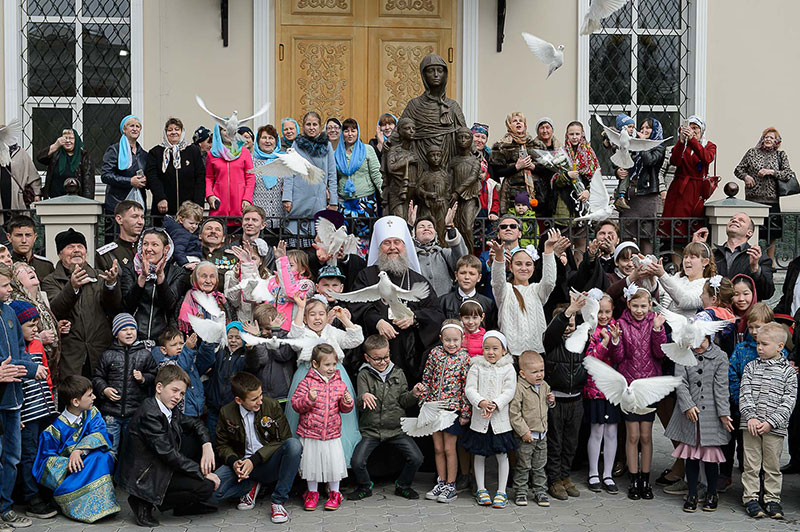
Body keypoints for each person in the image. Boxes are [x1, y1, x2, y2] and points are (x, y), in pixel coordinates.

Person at [119, 366, 220, 527]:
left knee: (203, 442)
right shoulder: (150, 413)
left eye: (181, 394)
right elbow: (168, 453)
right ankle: (142, 501)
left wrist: (207, 446)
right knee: (205, 487)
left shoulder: (168, 408)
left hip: (161, 464)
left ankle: (184, 506)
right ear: (159, 387)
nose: (178, 397)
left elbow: (195, 423)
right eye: (174, 390)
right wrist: (202, 473)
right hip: (146, 474)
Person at [350, 216, 444, 382]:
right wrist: (377, 321)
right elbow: (356, 307)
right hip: (374, 351)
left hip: (408, 353)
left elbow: (436, 313)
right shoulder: (367, 276)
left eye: (397, 242)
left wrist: (414, 318)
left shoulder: (418, 280)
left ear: (405, 246)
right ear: (379, 248)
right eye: (387, 243)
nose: (392, 248)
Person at [665, 312, 733, 513]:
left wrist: (723, 413)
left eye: (700, 340)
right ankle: (692, 492)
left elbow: (721, 387)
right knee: (691, 457)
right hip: (690, 415)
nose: (696, 345)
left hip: (711, 414)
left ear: (709, 336)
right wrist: (687, 405)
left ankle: (712, 492)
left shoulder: (720, 356)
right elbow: (681, 381)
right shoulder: (684, 353)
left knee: (710, 458)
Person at [213, 371, 302, 523]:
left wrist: (255, 460)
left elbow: (284, 439)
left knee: (294, 445)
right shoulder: (226, 412)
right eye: (254, 399)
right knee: (212, 493)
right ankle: (249, 486)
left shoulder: (271, 405)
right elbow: (222, 444)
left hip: (267, 463)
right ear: (239, 400)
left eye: (261, 395)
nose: (260, 401)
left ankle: (278, 502)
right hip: (241, 465)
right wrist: (234, 461)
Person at [32, 375, 120, 523]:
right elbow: (45, 460)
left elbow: (100, 433)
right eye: (89, 395)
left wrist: (78, 451)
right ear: (75, 401)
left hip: (90, 459)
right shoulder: (54, 428)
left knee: (102, 457)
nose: (94, 397)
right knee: (92, 461)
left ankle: (105, 505)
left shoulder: (92, 413)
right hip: (70, 469)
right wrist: (68, 463)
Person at [283, 296, 361, 459]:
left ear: (327, 316)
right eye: (312, 314)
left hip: (335, 377)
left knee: (334, 415)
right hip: (308, 378)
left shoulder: (332, 332)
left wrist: (344, 318)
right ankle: (307, 464)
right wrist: (301, 308)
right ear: (305, 318)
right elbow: (293, 337)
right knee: (308, 416)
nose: (317, 318)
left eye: (321, 314)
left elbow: (356, 339)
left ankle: (335, 463)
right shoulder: (303, 333)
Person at [349, 334, 425, 501]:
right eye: (377, 359)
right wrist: (364, 397)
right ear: (367, 357)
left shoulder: (398, 372)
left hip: (396, 428)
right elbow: (360, 401)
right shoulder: (364, 375)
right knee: (357, 461)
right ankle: (365, 485)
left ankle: (403, 485)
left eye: (386, 357)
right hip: (371, 429)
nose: (383, 362)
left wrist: (413, 394)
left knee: (417, 458)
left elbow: (404, 401)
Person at [41, 229, 120, 379]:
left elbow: (113, 307)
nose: (77, 250)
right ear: (60, 253)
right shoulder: (50, 281)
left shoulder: (99, 276)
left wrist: (111, 284)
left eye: (80, 246)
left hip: (100, 351)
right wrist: (72, 287)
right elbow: (55, 310)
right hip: (70, 355)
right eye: (70, 247)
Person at [612, 285, 666, 501]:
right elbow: (618, 357)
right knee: (632, 435)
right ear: (628, 304)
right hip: (630, 387)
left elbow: (659, 353)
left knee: (646, 435)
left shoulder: (655, 322)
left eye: (643, 306)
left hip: (648, 388)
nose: (639, 310)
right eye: (635, 305)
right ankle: (633, 479)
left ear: (650, 305)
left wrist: (657, 330)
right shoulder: (622, 324)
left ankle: (646, 478)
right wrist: (616, 341)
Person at [739, 322, 797, 519]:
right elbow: (744, 393)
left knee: (772, 465)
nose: (759, 348)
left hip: (774, 429)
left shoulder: (788, 372)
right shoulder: (750, 367)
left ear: (780, 346)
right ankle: (751, 498)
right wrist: (751, 417)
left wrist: (772, 421)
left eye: (764, 344)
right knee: (751, 464)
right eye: (758, 344)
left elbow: (789, 401)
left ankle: (772, 499)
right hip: (751, 426)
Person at [0, 262, 41, 529]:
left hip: (12, 401)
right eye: (4, 286)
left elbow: (19, 354)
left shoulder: (9, 313)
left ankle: (5, 509)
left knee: (11, 459)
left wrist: (31, 368)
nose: (8, 290)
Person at [291, 343, 353, 511]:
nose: (331, 368)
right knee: (312, 465)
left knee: (333, 464)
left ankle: (335, 493)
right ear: (315, 364)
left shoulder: (339, 383)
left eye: (334, 364)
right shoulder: (307, 383)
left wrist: (347, 402)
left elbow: (345, 409)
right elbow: (296, 404)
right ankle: (312, 492)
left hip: (332, 433)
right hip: (311, 432)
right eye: (327, 364)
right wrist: (309, 399)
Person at [11, 300, 57, 520]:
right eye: (30, 325)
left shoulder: (38, 345)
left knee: (41, 453)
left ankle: (41, 491)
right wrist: (17, 414)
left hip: (43, 411)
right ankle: (31, 499)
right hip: (26, 415)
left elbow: (46, 375)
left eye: (36, 325)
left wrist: (50, 402)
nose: (35, 330)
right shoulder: (12, 351)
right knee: (27, 456)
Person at [724, 303, 777, 488]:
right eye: (751, 326)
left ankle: (758, 483)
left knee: (757, 450)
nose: (755, 331)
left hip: (765, 413)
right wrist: (738, 398)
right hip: (740, 407)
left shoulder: (778, 352)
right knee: (733, 442)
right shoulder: (741, 350)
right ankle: (726, 475)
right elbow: (731, 374)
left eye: (759, 327)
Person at [462, 330, 517, 509]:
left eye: (495, 348)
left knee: (502, 455)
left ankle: (501, 491)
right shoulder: (476, 366)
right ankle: (481, 489)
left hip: (500, 422)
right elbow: (469, 389)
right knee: (479, 454)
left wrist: (495, 403)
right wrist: (481, 402)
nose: (491, 352)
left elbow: (509, 390)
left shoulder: (508, 368)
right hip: (480, 421)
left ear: (504, 350)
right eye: (487, 348)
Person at [541, 295, 589, 501]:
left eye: (571, 324)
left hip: (576, 400)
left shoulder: (581, 342)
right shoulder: (551, 342)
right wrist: (568, 311)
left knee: (571, 442)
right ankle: (554, 480)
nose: (568, 327)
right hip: (556, 401)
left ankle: (565, 476)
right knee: (555, 442)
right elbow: (553, 331)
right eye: (564, 323)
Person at [489, 230, 566, 356]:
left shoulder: (537, 290)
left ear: (533, 268)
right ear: (511, 268)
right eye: (518, 264)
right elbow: (497, 281)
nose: (524, 268)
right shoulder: (505, 290)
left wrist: (548, 249)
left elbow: (549, 281)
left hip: (537, 352)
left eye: (528, 264)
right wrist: (499, 257)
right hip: (511, 353)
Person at [420, 320, 471, 504]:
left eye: (455, 340)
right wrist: (424, 402)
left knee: (450, 448)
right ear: (441, 338)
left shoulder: (465, 358)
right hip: (434, 408)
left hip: (452, 410)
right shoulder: (434, 354)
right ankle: (441, 482)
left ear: (462, 339)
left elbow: (467, 387)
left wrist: (465, 412)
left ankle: (451, 485)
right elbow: (427, 378)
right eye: (447, 340)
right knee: (438, 448)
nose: (451, 344)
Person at [92, 312, 157, 454]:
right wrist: (104, 390)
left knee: (132, 450)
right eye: (124, 329)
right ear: (116, 333)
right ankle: (107, 475)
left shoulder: (145, 354)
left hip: (134, 412)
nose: (129, 333)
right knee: (110, 449)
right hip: (111, 413)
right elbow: (97, 377)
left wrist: (143, 378)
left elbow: (154, 375)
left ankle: (127, 476)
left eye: (132, 329)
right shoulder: (108, 354)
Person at [397, 53, 466, 173]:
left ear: (445, 74)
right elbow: (399, 131)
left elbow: (464, 132)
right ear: (424, 75)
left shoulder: (452, 106)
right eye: (430, 71)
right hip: (420, 156)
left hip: (447, 157)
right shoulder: (415, 105)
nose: (435, 75)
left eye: (440, 70)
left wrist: (473, 149)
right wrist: (389, 144)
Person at [734, 127, 795, 259]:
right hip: (753, 200)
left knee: (772, 234)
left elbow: (787, 173)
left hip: (771, 200)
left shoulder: (780, 155)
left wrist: (771, 172)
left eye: (771, 138)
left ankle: (771, 262)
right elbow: (738, 169)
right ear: (762, 139)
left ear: (776, 142)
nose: (768, 139)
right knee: (751, 232)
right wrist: (746, 177)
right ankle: (751, 259)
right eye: (766, 137)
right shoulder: (752, 153)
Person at [583, 294, 622, 494]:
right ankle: (593, 472)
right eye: (600, 312)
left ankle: (607, 474)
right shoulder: (590, 329)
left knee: (612, 432)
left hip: (612, 390)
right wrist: (604, 343)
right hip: (595, 388)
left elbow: (619, 357)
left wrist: (614, 341)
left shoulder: (616, 328)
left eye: (607, 311)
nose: (604, 316)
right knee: (597, 430)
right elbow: (591, 360)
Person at [120, 228, 186, 341]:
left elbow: (169, 305)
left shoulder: (177, 272)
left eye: (154, 245)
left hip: (164, 339)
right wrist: (142, 277)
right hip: (135, 337)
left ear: (166, 249)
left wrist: (160, 277)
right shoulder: (130, 270)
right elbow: (128, 304)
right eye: (145, 244)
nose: (148, 249)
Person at [283, 111, 338, 247]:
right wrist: (287, 198)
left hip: (318, 197)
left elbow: (332, 173)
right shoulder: (296, 145)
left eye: (315, 124)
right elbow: (289, 173)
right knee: (297, 244)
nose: (311, 127)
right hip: (299, 197)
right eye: (308, 124)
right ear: (303, 127)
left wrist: (333, 201)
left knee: (317, 243)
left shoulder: (327, 145)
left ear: (320, 127)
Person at [510, 350, 555, 507]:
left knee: (539, 466)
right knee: (523, 465)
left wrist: (551, 401)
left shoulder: (544, 386)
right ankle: (521, 491)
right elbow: (514, 413)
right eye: (534, 372)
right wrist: (524, 431)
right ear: (522, 374)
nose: (539, 375)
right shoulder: (520, 389)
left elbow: (546, 406)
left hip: (542, 435)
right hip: (526, 436)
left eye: (541, 371)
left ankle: (540, 491)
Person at [693, 215, 774, 300]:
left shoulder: (759, 258)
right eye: (732, 219)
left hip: (744, 311)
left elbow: (767, 293)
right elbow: (688, 276)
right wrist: (696, 249)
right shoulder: (712, 255)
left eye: (741, 220)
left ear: (749, 233)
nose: (734, 220)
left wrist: (755, 268)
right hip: (715, 309)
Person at [662, 115, 716, 242]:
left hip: (696, 190)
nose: (692, 130)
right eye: (689, 127)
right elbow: (674, 161)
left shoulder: (709, 145)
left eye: (695, 127)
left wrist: (693, 141)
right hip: (679, 189)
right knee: (676, 227)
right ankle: (675, 257)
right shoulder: (682, 145)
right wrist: (681, 141)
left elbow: (707, 158)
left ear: (701, 130)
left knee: (693, 224)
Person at [11, 262, 65, 388]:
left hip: (52, 366)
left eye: (30, 268)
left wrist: (57, 327)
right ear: (15, 281)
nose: (29, 271)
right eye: (22, 271)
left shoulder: (42, 299)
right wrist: (40, 338)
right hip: (34, 367)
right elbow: (15, 337)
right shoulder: (16, 304)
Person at [617, 118, 667, 252]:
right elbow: (621, 160)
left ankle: (647, 268)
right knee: (626, 235)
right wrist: (618, 171)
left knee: (645, 235)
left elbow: (649, 161)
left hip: (647, 195)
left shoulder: (659, 147)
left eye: (648, 128)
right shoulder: (633, 144)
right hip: (630, 195)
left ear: (655, 130)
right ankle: (627, 266)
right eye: (642, 127)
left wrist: (643, 143)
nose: (644, 130)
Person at [146, 117, 205, 218]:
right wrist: (160, 198)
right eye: (170, 130)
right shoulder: (156, 152)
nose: (173, 132)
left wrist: (198, 204)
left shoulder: (192, 151)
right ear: (165, 133)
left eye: (177, 129)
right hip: (164, 208)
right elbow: (152, 177)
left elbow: (200, 177)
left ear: (182, 132)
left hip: (189, 209)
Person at [151, 327, 215, 419]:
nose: (179, 347)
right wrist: (187, 349)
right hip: (180, 413)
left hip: (197, 410)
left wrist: (207, 342)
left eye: (181, 343)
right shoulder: (166, 364)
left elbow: (206, 361)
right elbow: (180, 370)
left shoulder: (190, 358)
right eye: (174, 345)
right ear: (164, 350)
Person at [490, 112, 547, 216]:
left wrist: (532, 167)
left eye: (521, 121)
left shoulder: (537, 144)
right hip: (512, 194)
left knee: (534, 228)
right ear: (509, 125)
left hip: (535, 193)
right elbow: (497, 172)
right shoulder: (501, 146)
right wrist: (516, 167)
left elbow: (546, 169)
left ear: (525, 125)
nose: (518, 123)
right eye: (514, 121)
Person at [336, 118, 382, 239]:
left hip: (366, 202)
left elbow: (376, 174)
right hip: (344, 203)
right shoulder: (336, 153)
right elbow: (333, 178)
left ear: (358, 132)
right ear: (342, 133)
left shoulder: (367, 150)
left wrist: (383, 193)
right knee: (346, 239)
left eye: (353, 130)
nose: (350, 134)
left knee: (365, 238)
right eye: (346, 131)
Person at [100, 115, 147, 224]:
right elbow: (105, 175)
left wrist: (145, 181)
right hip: (117, 204)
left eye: (137, 126)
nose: (135, 129)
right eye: (131, 126)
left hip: (137, 203)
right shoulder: (115, 150)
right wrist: (130, 181)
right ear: (124, 130)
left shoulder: (143, 154)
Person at [410, 209, 468, 298]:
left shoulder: (443, 253)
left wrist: (450, 228)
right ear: (414, 234)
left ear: (435, 233)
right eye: (421, 226)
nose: (426, 228)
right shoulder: (411, 256)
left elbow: (462, 260)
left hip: (444, 307)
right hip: (419, 308)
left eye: (430, 226)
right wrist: (409, 226)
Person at [205, 122, 254, 225]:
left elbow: (250, 177)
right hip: (219, 205)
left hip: (240, 204)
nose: (228, 132)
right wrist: (210, 195)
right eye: (224, 130)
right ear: (219, 132)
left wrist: (247, 198)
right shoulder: (212, 154)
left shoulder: (244, 152)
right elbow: (209, 177)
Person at [243, 304, 295, 401]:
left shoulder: (284, 336)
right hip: (263, 396)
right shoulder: (257, 339)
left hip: (283, 395)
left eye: (267, 328)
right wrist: (257, 340)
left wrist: (275, 333)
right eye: (260, 328)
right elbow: (261, 361)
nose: (263, 332)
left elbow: (283, 355)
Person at [439, 254, 497, 330]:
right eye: (463, 273)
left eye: (472, 274)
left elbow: (491, 330)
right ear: (456, 275)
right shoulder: (444, 302)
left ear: (479, 277)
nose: (467, 277)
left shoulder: (488, 304)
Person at [37, 128, 95, 199]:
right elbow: (40, 158)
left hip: (77, 200)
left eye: (71, 138)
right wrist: (55, 145)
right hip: (55, 199)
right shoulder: (56, 154)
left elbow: (88, 183)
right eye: (65, 138)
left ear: (76, 140)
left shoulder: (84, 156)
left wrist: (87, 203)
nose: (68, 141)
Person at [251, 125, 286, 230]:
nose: (267, 141)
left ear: (276, 142)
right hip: (257, 217)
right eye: (264, 138)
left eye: (271, 138)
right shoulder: (250, 161)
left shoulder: (283, 161)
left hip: (279, 217)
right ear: (258, 141)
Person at [0, 132, 41, 222]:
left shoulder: (21, 153)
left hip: (17, 197)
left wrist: (37, 194)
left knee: (17, 224)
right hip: (1, 196)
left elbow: (33, 175)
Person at [96, 199, 145, 273]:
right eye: (135, 217)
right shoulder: (107, 255)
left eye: (142, 217)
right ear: (119, 219)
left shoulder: (148, 249)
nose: (140, 222)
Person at [6, 214, 54, 280]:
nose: (24, 240)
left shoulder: (46, 266)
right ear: (9, 237)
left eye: (28, 235)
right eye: (19, 235)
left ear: (35, 237)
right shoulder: (5, 265)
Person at [164, 200, 204, 269]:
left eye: (197, 224)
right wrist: (185, 263)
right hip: (187, 260)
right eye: (191, 223)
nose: (194, 226)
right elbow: (178, 250)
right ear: (181, 220)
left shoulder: (187, 232)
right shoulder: (180, 233)